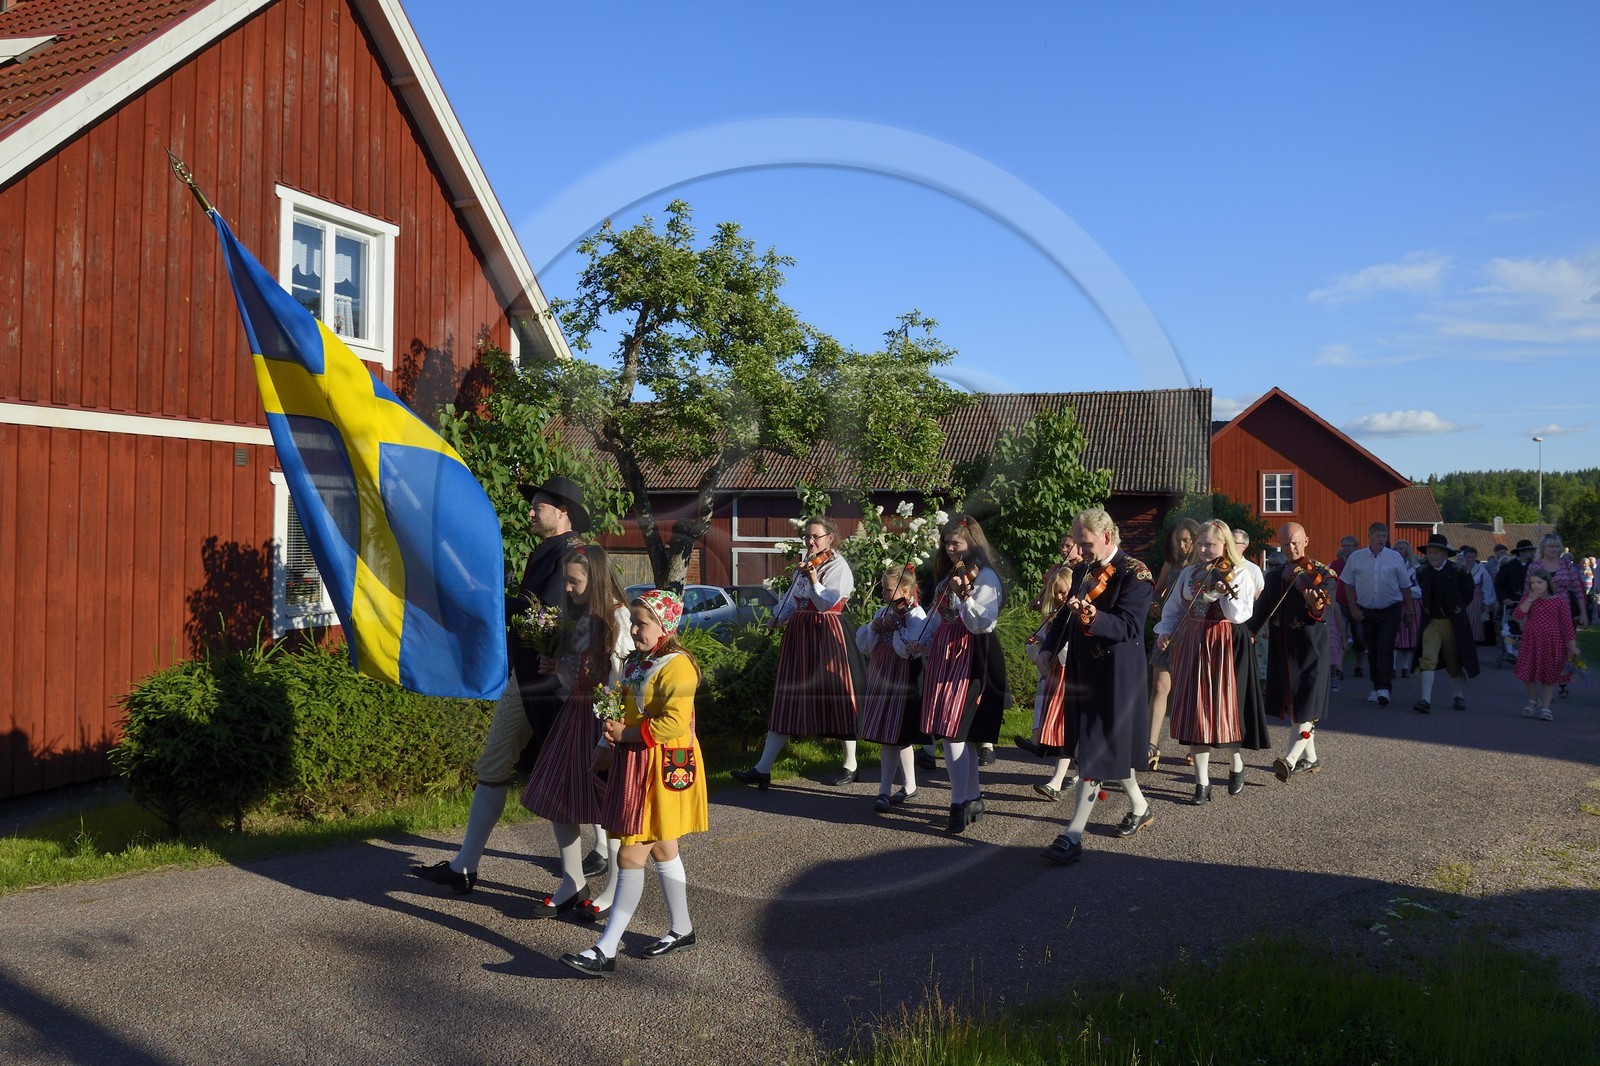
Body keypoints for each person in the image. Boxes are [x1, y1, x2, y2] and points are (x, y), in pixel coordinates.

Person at [412, 476, 593, 894]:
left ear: (562, 511)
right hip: (528, 675)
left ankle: (581, 881)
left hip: (555, 682)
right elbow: (537, 614)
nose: (531, 511)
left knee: (561, 776)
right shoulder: (551, 550)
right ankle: (464, 867)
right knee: (496, 765)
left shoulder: (577, 555)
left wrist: (484, 599)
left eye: (539, 506)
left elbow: (554, 615)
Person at [560, 590, 707, 976]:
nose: (635, 628)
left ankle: (605, 950)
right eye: (635, 622)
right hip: (638, 762)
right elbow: (623, 709)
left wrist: (625, 736)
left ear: (665, 626)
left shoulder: (678, 666)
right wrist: (607, 744)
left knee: (629, 855)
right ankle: (682, 928)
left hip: (661, 767)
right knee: (662, 847)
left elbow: (674, 722)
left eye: (642, 623)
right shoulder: (639, 662)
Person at [519, 546, 633, 920]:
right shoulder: (580, 617)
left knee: (609, 804)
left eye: (574, 581)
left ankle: (617, 885)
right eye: (567, 579)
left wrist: (608, 738)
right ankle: (572, 880)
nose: (567, 588)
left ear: (595, 580)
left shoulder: (617, 618)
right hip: (576, 714)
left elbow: (619, 685)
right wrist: (558, 667)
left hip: (604, 721)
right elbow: (575, 681)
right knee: (558, 793)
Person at [1040, 508, 1155, 865]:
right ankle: (1140, 806)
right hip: (1083, 669)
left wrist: (1092, 615)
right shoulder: (1081, 570)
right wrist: (1048, 647)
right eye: (1078, 542)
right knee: (1100, 746)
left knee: (1093, 750)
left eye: (1086, 543)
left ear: (1107, 536)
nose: (1080, 549)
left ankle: (1073, 835)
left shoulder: (1136, 573)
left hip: (1117, 674)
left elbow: (1130, 627)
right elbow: (1064, 616)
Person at [732, 516, 860, 790]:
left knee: (836, 694)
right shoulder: (802, 567)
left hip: (826, 633)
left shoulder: (839, 566)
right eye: (808, 537)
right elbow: (791, 599)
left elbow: (827, 603)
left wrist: (814, 579)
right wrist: (777, 616)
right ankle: (762, 769)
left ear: (830, 539)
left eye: (816, 536)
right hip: (799, 634)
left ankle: (851, 763)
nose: (811, 542)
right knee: (787, 697)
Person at [904, 514, 1007, 833]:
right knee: (956, 735)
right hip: (944, 657)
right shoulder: (946, 577)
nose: (950, 548)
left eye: (956, 543)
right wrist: (920, 642)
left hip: (972, 655)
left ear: (972, 542)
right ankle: (972, 797)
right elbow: (936, 621)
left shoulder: (985, 577)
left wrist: (966, 598)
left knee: (954, 733)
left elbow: (981, 623)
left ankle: (958, 803)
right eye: (946, 543)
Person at [1156, 520, 1258, 803]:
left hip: (1219, 642)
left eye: (1210, 545)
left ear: (1224, 544)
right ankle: (1201, 783)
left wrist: (1226, 595)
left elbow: (1240, 614)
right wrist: (1165, 631)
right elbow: (1175, 605)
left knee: (1221, 709)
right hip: (1190, 639)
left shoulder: (1238, 573)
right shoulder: (1190, 572)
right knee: (1194, 709)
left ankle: (1235, 763)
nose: (1203, 549)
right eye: (1200, 544)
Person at [1251, 523, 1336, 782]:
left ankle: (1288, 760)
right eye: (1286, 544)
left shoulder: (1323, 574)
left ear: (1306, 540)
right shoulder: (1276, 575)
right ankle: (1310, 759)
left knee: (1307, 706)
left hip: (1311, 651)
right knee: (1295, 706)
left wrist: (1315, 604)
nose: (1291, 548)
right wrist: (1248, 633)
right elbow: (1262, 610)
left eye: (1296, 543)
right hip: (1284, 650)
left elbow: (1325, 610)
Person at [855, 565, 929, 814]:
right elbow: (865, 645)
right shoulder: (884, 611)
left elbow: (908, 650)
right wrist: (875, 627)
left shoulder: (916, 615)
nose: (885, 595)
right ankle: (909, 786)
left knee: (893, 735)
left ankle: (883, 792)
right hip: (881, 675)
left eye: (888, 590)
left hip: (903, 678)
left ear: (905, 590)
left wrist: (897, 626)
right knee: (895, 735)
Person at [1145, 518, 1200, 770]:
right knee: (1159, 686)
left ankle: (1195, 745)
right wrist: (1155, 601)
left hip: (1192, 631)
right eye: (1179, 540)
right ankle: (1151, 744)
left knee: (1190, 690)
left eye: (1187, 540)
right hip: (1167, 629)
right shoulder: (1172, 562)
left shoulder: (1204, 565)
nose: (1183, 545)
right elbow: (1158, 589)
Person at [1339, 523, 1412, 707]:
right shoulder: (1357, 557)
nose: (1381, 539)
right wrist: (1354, 608)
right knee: (1371, 648)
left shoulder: (1395, 557)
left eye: (1384, 536)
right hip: (1366, 611)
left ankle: (1384, 688)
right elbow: (1347, 583)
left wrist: (1409, 610)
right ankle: (1377, 685)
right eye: (1378, 536)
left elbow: (1405, 586)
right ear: (1369, 537)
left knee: (1385, 647)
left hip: (1390, 610)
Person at [1024, 566, 1078, 800]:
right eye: (1055, 592)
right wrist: (1038, 645)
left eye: (1063, 591)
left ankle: (1066, 778)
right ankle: (1071, 776)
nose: (1060, 597)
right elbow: (1041, 658)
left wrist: (1053, 648)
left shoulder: (1074, 615)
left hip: (1071, 676)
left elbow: (1070, 652)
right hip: (1056, 677)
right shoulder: (1052, 616)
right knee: (1065, 730)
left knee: (1071, 729)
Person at [1412, 534, 1479, 713]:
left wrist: (1456, 609)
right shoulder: (1422, 572)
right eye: (1430, 552)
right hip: (1431, 621)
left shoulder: (1459, 571)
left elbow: (1468, 594)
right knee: (1427, 658)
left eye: (1436, 552)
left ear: (1444, 553)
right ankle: (1425, 699)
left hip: (1452, 622)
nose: (1432, 556)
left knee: (1453, 660)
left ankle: (1458, 696)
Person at [1512, 568, 1579, 722]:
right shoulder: (1529, 599)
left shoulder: (1559, 600)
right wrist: (1530, 599)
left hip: (1552, 642)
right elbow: (1518, 615)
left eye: (1539, 582)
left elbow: (1567, 625)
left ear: (1548, 583)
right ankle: (1533, 700)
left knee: (1549, 676)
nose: (1536, 585)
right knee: (1527, 672)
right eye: (1533, 583)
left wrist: (1573, 646)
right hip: (1531, 640)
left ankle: (1546, 707)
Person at [1533, 534, 1591, 630]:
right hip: (1540, 611)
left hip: (1564, 610)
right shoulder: (1535, 566)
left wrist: (1583, 614)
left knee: (1565, 642)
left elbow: (1578, 591)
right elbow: (1527, 592)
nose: (1554, 549)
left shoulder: (1567, 565)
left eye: (1557, 546)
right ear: (1543, 548)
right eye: (1551, 546)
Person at [1495, 540, 1537, 661]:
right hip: (1511, 602)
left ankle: (1526, 651)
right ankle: (1510, 651)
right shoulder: (1507, 566)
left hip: (1530, 603)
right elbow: (1500, 584)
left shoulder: (1534, 567)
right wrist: (1504, 598)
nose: (1531, 553)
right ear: (1521, 552)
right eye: (1529, 551)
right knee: (1508, 626)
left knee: (1530, 627)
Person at [1391, 540, 1423, 679]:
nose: (1399, 551)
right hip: (1394, 603)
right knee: (1394, 635)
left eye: (1402, 549)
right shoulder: (1389, 566)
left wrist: (1406, 590)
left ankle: (1405, 666)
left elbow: (1420, 590)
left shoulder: (1414, 568)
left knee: (1410, 634)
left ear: (1407, 551)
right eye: (1397, 548)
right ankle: (1392, 666)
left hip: (1411, 603)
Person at [1458, 545, 1497, 645]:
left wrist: (1487, 603)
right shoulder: (1459, 569)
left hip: (1476, 600)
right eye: (1468, 557)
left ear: (1476, 557)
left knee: (1475, 623)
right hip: (1462, 598)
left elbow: (1488, 588)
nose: (1470, 559)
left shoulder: (1482, 570)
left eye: (1472, 557)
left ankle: (1473, 645)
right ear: (1464, 557)